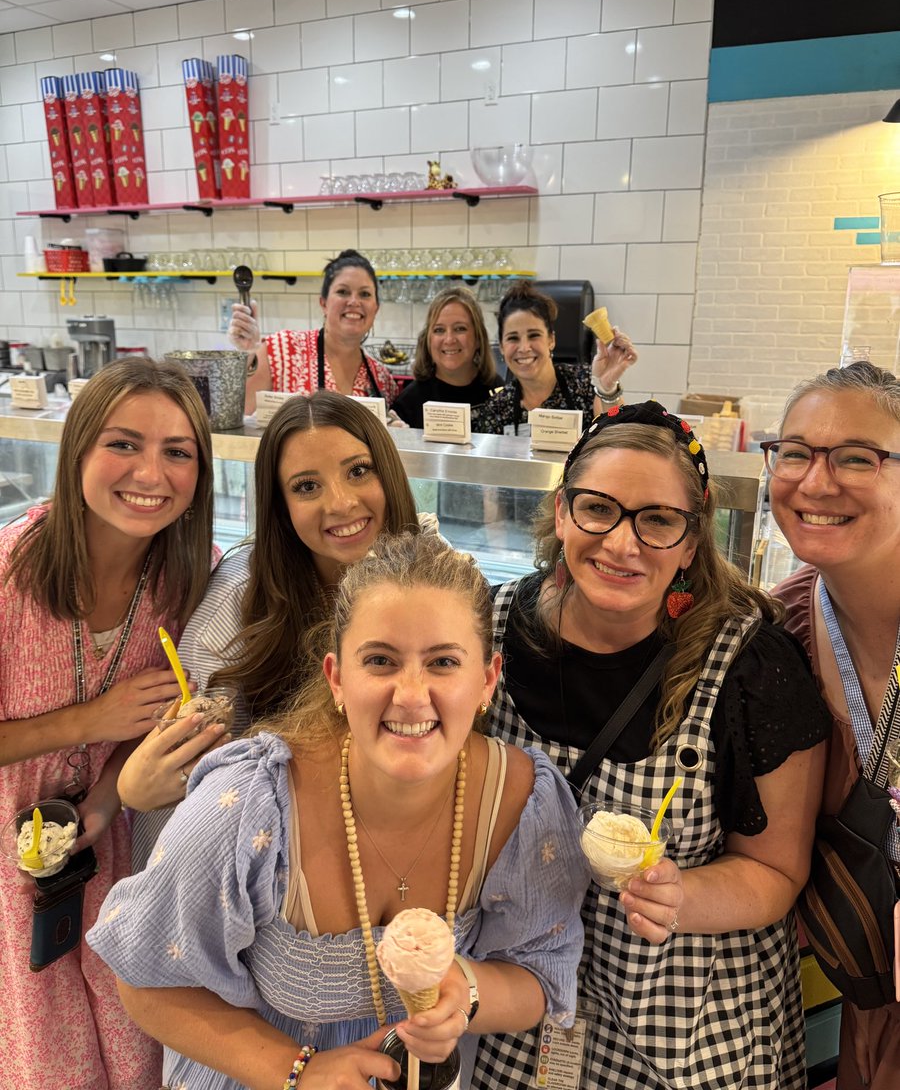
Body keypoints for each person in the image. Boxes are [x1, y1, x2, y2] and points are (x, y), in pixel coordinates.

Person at [87, 532, 589, 1090]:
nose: (411, 695)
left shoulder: (524, 803)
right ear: (337, 679)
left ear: (487, 680)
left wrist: (468, 991)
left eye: (443, 662)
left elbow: (538, 976)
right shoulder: (246, 807)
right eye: (380, 660)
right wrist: (297, 1071)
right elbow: (145, 982)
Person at [475, 400, 831, 1089]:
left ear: (692, 542)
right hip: (522, 1022)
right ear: (561, 512)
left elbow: (777, 873)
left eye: (658, 521)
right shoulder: (484, 634)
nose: (622, 543)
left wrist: (681, 895)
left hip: (687, 1040)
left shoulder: (750, 667)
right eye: (598, 508)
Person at [0, 357, 216, 1090]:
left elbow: (161, 724)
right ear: (78, 451)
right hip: (8, 862)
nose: (150, 473)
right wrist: (85, 720)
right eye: (124, 444)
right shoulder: (7, 572)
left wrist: (101, 801)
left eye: (177, 451)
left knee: (135, 1052)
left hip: (120, 847)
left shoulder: (191, 579)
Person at [119, 390, 425, 870]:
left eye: (358, 471)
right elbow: (188, 790)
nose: (341, 503)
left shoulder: (436, 582)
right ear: (279, 507)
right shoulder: (235, 610)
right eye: (307, 486)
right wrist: (145, 787)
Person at [769, 361, 900, 1090]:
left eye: (858, 457)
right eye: (795, 452)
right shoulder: (776, 632)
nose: (816, 484)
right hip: (870, 994)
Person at [228, 248, 399, 413]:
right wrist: (246, 355)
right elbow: (241, 413)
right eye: (343, 292)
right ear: (323, 303)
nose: (354, 301)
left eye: (365, 294)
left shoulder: (383, 380)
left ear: (376, 308)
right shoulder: (282, 350)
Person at [469, 280, 638, 435]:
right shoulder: (497, 408)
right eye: (513, 338)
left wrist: (606, 387)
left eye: (534, 335)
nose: (524, 348)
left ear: (551, 340)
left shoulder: (585, 383)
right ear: (501, 347)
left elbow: (617, 438)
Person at [392, 287, 504, 428]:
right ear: (428, 340)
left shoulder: (497, 390)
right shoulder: (408, 402)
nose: (449, 339)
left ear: (478, 338)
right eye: (439, 330)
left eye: (460, 329)